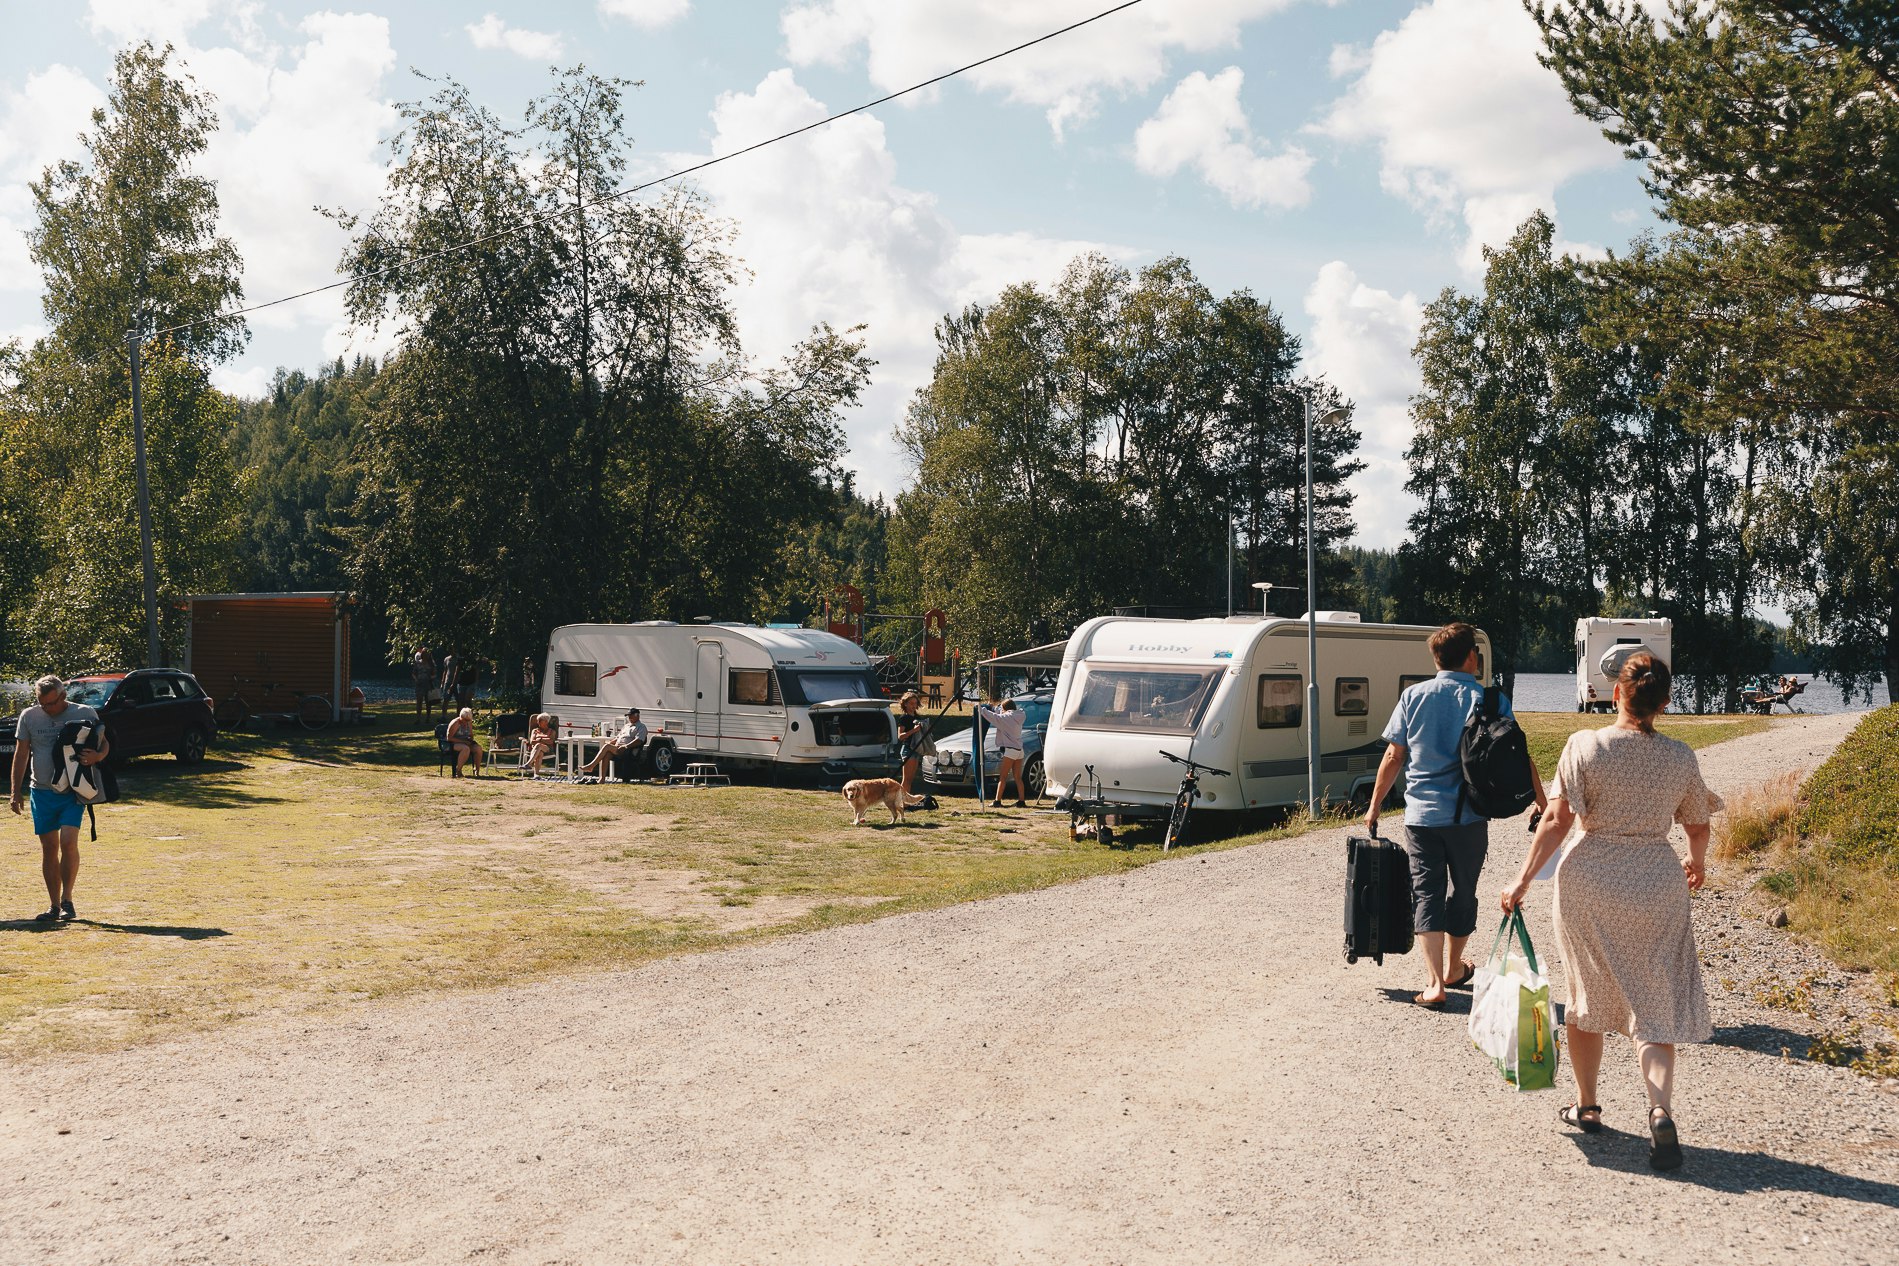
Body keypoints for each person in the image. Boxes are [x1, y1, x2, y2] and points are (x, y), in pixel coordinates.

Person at [1501, 652, 1717, 1172]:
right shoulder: (1680, 756)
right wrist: (1697, 861)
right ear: (1664, 703)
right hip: (1655, 880)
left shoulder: (1585, 745)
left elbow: (1556, 820)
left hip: (1589, 878)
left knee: (1586, 992)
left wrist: (1523, 878)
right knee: (1654, 1000)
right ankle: (1660, 1110)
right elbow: (1698, 822)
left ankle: (1588, 1105)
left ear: (1616, 693)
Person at [1365, 621, 1547, 1009]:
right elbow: (1518, 754)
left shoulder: (1412, 696)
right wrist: (1542, 802)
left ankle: (1435, 984)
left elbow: (1394, 756)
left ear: (1436, 659)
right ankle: (1453, 967)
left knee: (1426, 892)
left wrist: (1375, 803)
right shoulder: (1490, 700)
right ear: (1471, 657)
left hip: (1421, 816)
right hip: (1469, 817)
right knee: (1463, 891)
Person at [8, 675, 110, 923]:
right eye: (43, 704)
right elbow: (21, 754)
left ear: (63, 696)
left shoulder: (84, 712)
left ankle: (68, 900)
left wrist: (97, 757)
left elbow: (104, 743)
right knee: (49, 848)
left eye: (51, 704)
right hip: (41, 791)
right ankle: (54, 905)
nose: (47, 709)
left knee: (68, 842)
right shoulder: (29, 716)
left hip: (72, 791)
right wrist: (15, 790)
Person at [975, 697, 1026, 808]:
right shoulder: (1020, 715)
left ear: (1005, 709)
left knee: (1002, 777)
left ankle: (997, 801)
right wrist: (995, 708)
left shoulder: (1005, 719)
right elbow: (1000, 713)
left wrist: (980, 708)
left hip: (1010, 750)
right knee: (1018, 777)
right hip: (1019, 750)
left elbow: (993, 717)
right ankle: (1021, 801)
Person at [579, 708, 646, 781]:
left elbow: (639, 740)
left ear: (637, 715)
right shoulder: (626, 726)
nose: (629, 718)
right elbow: (618, 737)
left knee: (606, 747)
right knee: (607, 753)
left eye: (631, 716)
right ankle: (602, 779)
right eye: (628, 716)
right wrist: (611, 743)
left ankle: (591, 766)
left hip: (627, 750)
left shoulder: (641, 727)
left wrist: (626, 746)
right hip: (617, 748)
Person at [895, 691, 927, 806]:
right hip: (908, 749)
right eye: (911, 703)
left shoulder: (918, 717)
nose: (913, 706)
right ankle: (902, 802)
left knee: (911, 779)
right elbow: (900, 736)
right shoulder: (904, 718)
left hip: (916, 749)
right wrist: (914, 730)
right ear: (905, 704)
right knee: (906, 779)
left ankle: (906, 801)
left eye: (915, 703)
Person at [444, 706, 483, 777]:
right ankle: (458, 770)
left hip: (465, 742)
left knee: (478, 749)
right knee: (465, 749)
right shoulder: (455, 723)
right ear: (461, 717)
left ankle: (476, 770)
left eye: (468, 720)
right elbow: (449, 738)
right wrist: (463, 741)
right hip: (453, 743)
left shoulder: (469, 723)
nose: (466, 722)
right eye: (464, 720)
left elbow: (471, 734)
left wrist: (470, 740)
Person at [521, 713, 558, 778]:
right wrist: (545, 739)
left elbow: (551, 741)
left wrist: (540, 739)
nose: (538, 722)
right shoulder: (535, 731)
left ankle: (528, 764)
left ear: (546, 721)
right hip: (535, 750)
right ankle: (536, 775)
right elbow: (532, 741)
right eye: (538, 720)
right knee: (539, 753)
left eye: (540, 720)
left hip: (547, 749)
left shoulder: (552, 731)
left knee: (539, 745)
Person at [411, 647, 435, 722]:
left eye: (427, 653)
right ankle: (418, 718)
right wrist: (416, 679)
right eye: (424, 653)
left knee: (428, 702)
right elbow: (413, 673)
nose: (425, 655)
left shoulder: (431, 664)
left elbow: (435, 674)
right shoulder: (418, 663)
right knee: (419, 701)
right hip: (419, 685)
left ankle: (428, 717)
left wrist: (431, 677)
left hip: (428, 684)